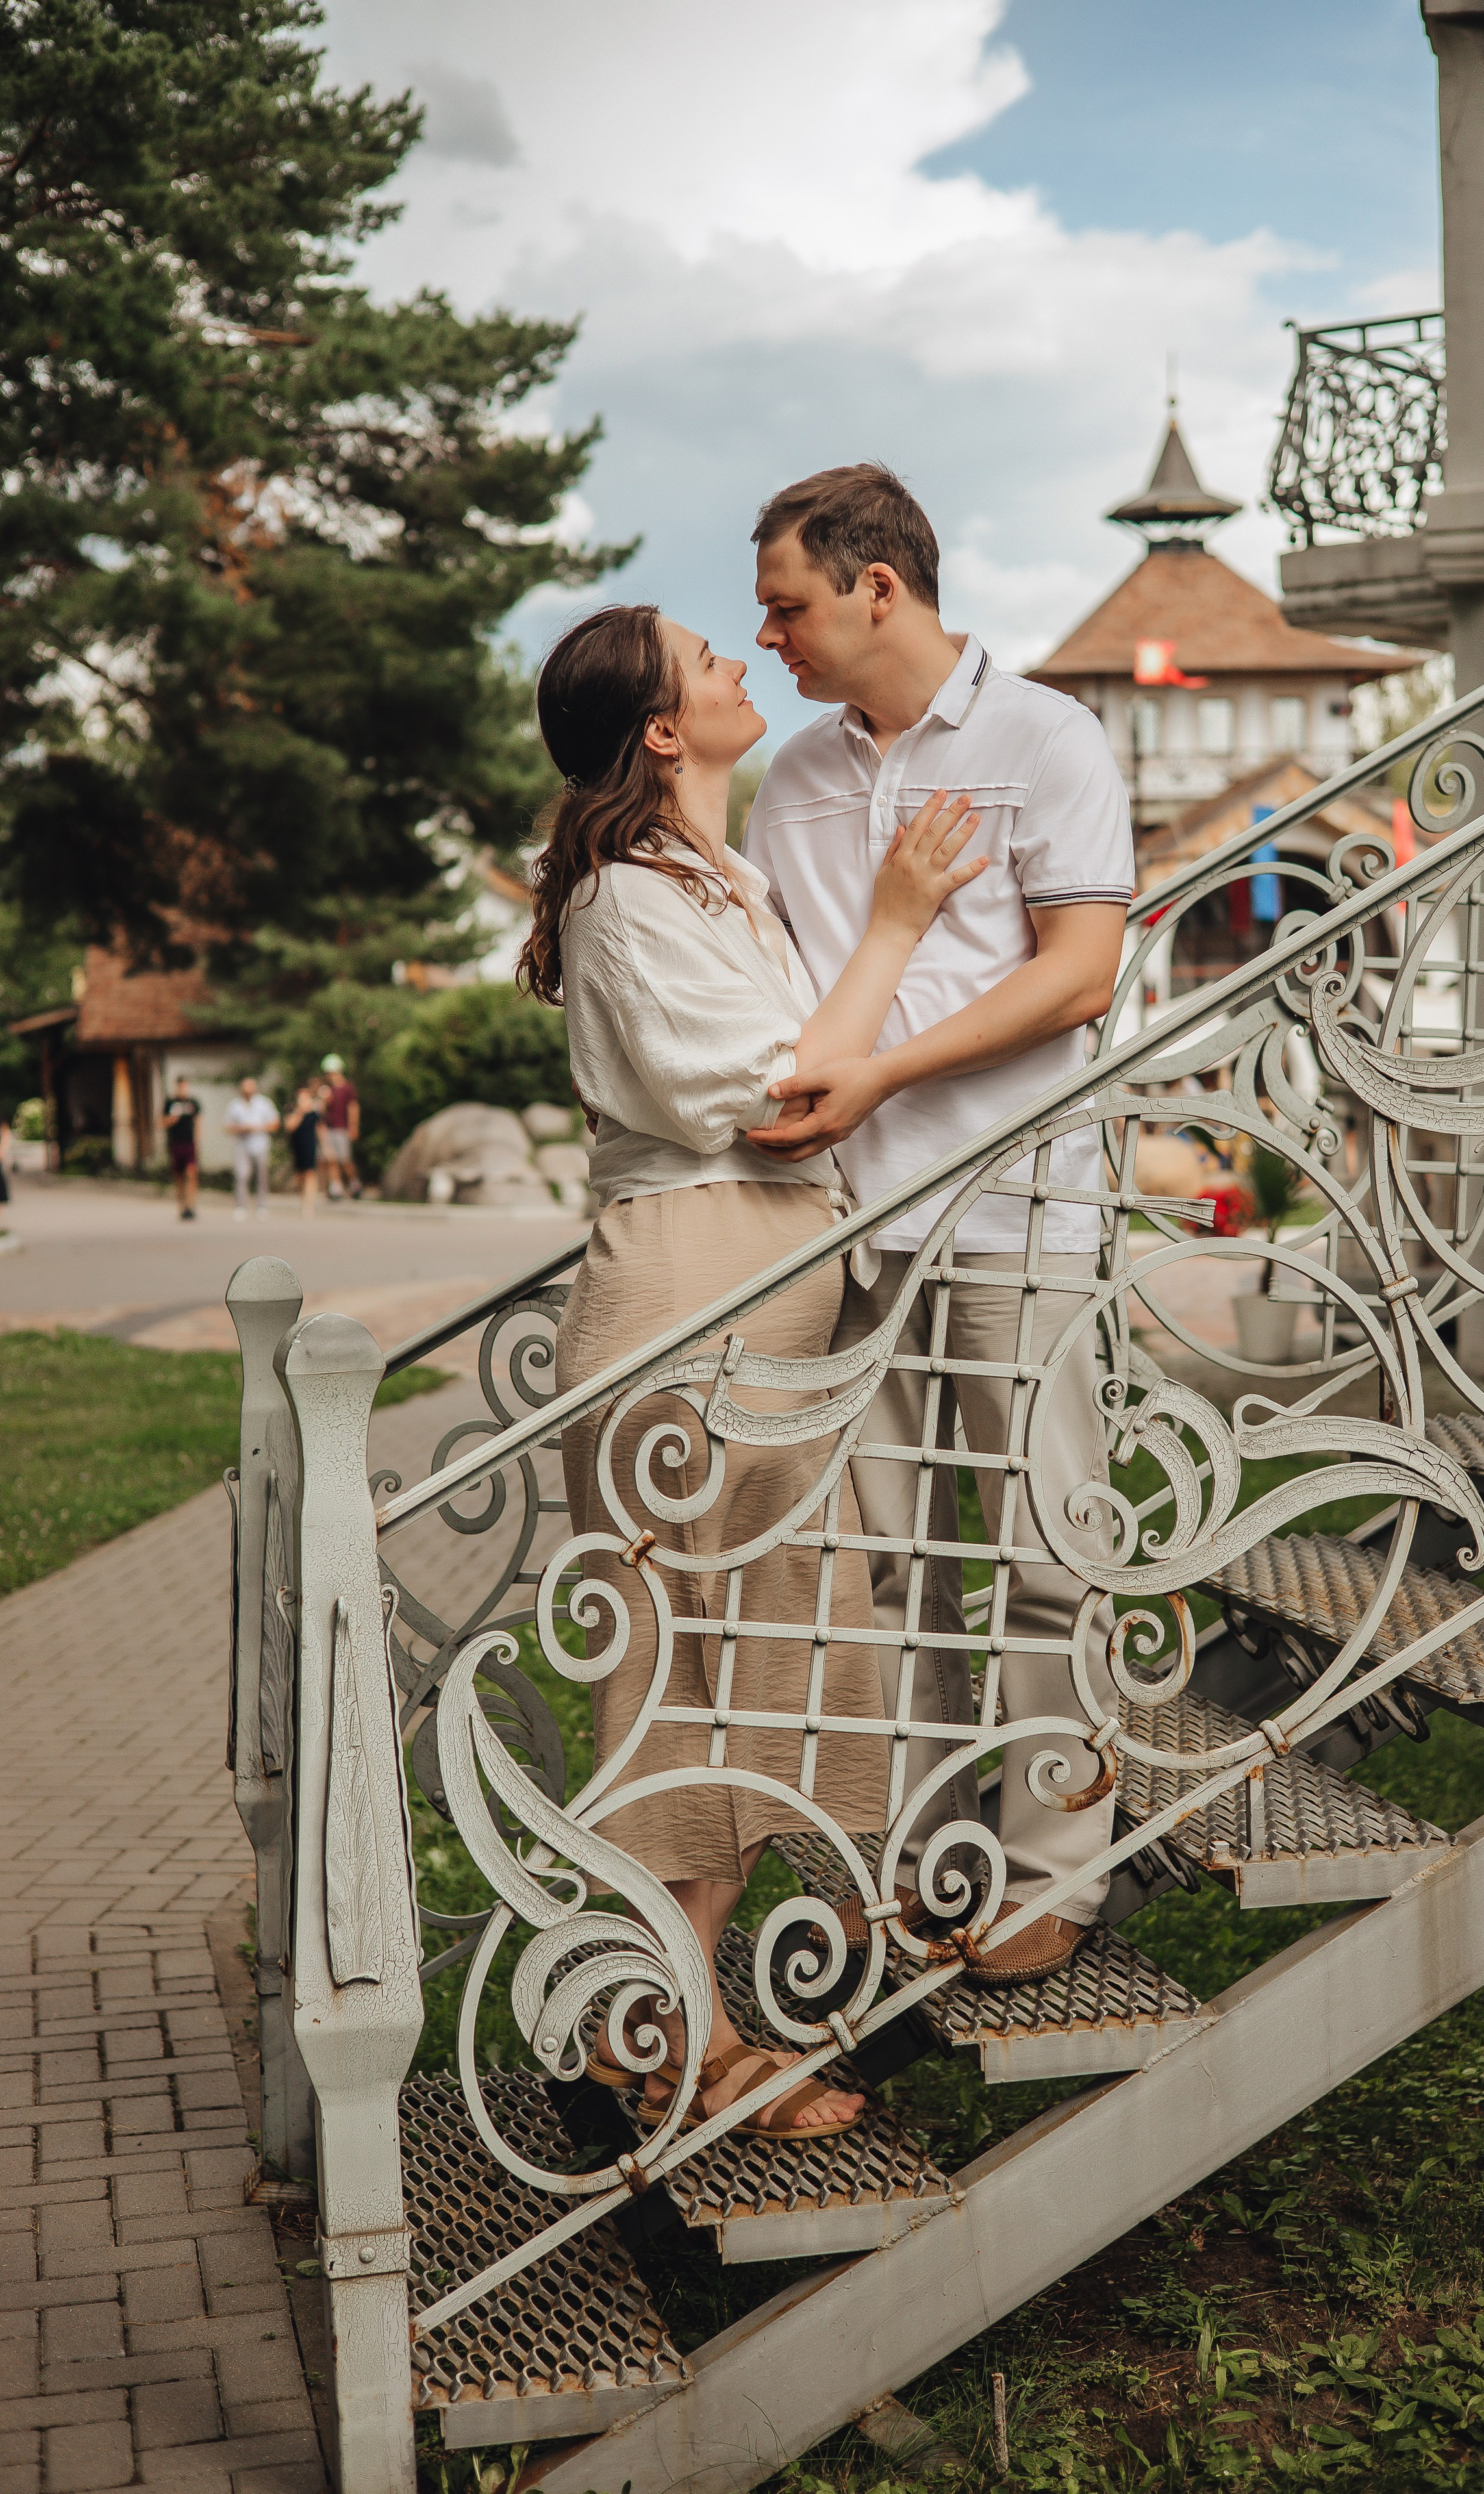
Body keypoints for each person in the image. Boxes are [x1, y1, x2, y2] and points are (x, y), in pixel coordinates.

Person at [522, 601, 985, 2138]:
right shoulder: (624, 899)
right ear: (661, 729)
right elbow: (792, 1098)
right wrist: (901, 922)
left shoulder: (709, 879)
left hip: (754, 1290)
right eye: (706, 660)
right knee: (683, 1682)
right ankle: (670, 2037)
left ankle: (664, 2020)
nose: (734, 666)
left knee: (740, 1670)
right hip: (691, 1297)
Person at [743, 463, 1134, 1989]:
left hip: (1019, 1210)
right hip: (854, 1229)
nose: (766, 632)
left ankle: (1054, 1871)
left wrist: (885, 1074)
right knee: (898, 1565)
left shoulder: (1045, 736)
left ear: (875, 588)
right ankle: (925, 1861)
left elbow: (1078, 971)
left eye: (785, 603)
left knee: (1043, 1550)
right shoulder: (792, 777)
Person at [224, 1076, 279, 1220]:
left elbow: (275, 1124)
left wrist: (256, 1127)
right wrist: (241, 1128)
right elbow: (227, 1126)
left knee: (261, 1176)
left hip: (260, 1144)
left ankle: (262, 1206)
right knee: (241, 1176)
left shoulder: (264, 1103)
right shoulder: (235, 1105)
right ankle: (241, 1206)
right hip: (242, 1145)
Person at [318, 1054, 360, 1199]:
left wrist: (353, 1126)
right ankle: (336, 1187)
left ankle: (354, 1184)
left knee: (345, 1160)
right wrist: (324, 1101)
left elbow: (353, 1108)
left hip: (342, 1128)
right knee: (331, 1159)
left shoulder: (347, 1088)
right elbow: (322, 1111)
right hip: (329, 1128)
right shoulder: (326, 1090)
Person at [162, 1075, 201, 1221]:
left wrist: (197, 1142)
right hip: (176, 1144)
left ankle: (191, 1206)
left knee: (191, 1174)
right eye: (181, 1086)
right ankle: (182, 1207)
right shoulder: (170, 1103)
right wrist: (172, 1119)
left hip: (189, 1144)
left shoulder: (194, 1103)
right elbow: (161, 1122)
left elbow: (198, 1123)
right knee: (179, 1177)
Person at [284, 1083, 322, 1219]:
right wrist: (300, 1111)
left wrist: (326, 1146)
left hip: (311, 1144)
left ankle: (309, 1204)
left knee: (310, 1173)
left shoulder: (314, 1112)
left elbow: (320, 1129)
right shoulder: (292, 1109)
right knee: (300, 1174)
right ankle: (302, 1199)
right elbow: (290, 1127)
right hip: (297, 1145)